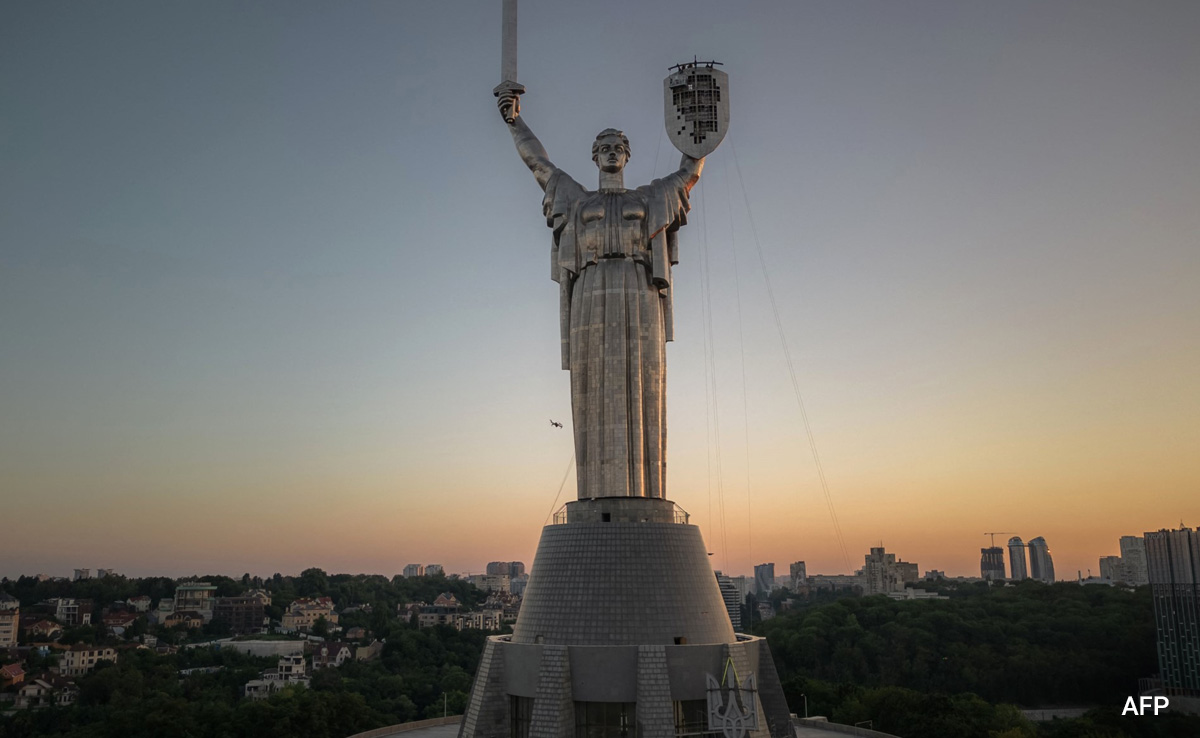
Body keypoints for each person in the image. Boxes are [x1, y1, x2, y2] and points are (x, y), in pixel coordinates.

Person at [497, 89, 704, 499]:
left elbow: (690, 171)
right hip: (591, 291)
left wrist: (699, 127)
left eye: (618, 148)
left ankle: (647, 495)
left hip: (638, 286)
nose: (611, 153)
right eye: (604, 148)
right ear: (595, 157)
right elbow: (538, 163)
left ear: (627, 156)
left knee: (644, 380)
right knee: (593, 385)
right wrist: (514, 122)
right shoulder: (577, 199)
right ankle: (596, 494)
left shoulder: (649, 197)